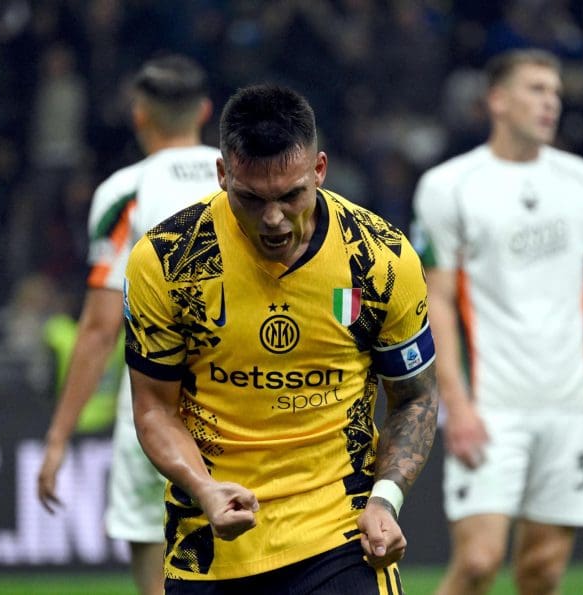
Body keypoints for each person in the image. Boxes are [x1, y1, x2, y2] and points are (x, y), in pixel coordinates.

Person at [123, 84, 438, 594]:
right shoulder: (168, 262)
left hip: (340, 533)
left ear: (319, 169)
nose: (273, 219)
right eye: (251, 198)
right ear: (222, 174)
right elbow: (154, 409)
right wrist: (204, 490)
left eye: (291, 195)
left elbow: (416, 397)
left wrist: (385, 499)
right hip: (212, 540)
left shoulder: (378, 259)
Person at [411, 48, 583, 595]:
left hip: (568, 400)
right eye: (536, 90)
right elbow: (438, 300)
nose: (550, 103)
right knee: (478, 560)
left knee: (543, 571)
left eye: (555, 93)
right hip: (491, 401)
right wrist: (456, 401)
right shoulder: (449, 185)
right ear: (497, 100)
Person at [37, 54, 219, 595]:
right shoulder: (240, 176)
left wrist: (57, 438)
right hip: (243, 399)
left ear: (139, 115)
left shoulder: (127, 190)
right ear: (205, 110)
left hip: (156, 408)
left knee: (157, 572)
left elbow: (98, 327)